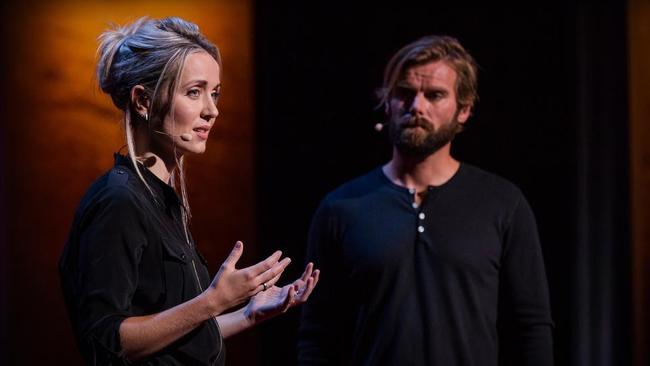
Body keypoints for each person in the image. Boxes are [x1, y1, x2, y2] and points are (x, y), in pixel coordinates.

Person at [59, 16, 319, 365]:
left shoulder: (164, 202)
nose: (212, 110)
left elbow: (176, 338)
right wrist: (211, 301)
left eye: (214, 94)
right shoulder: (119, 201)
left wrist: (248, 314)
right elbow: (103, 341)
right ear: (142, 101)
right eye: (194, 92)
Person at [298, 35, 553, 365]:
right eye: (405, 93)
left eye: (434, 95)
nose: (416, 107)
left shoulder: (503, 204)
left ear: (463, 110)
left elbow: (531, 327)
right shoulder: (341, 208)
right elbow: (318, 333)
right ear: (387, 102)